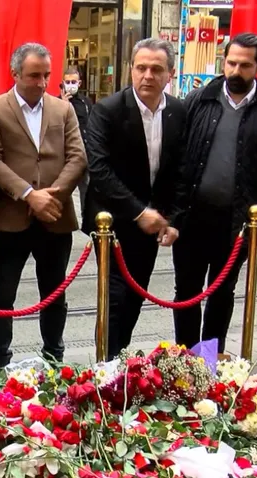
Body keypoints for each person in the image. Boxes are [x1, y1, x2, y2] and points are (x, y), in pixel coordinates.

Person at [173, 33, 257, 352]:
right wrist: (170, 212)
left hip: (239, 221)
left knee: (222, 291)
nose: (235, 71)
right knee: (186, 290)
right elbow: (177, 157)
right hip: (193, 217)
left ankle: (211, 358)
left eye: (244, 65)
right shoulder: (199, 100)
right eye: (230, 63)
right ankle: (186, 358)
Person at [0, 43, 87, 370]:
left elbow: (78, 157)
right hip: (11, 218)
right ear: (15, 74)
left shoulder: (62, 109)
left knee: (54, 295)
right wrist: (29, 195)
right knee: (3, 296)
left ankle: (54, 358)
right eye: (33, 76)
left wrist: (51, 196)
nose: (42, 83)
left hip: (55, 217)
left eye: (46, 76)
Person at [82, 38, 186, 359]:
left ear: (170, 73)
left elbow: (182, 171)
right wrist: (140, 212)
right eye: (141, 68)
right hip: (111, 222)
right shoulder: (108, 111)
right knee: (114, 299)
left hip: (152, 224)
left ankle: (118, 355)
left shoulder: (180, 113)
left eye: (156, 69)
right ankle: (106, 366)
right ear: (131, 69)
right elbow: (99, 170)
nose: (147, 76)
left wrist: (172, 218)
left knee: (135, 296)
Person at [60, 66, 93, 212]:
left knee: (85, 187)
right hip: (63, 153)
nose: (71, 85)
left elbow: (91, 125)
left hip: (83, 151)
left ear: (79, 83)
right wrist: (64, 105)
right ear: (63, 83)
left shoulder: (86, 103)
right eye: (68, 82)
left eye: (74, 82)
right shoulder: (56, 103)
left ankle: (86, 218)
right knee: (63, 187)